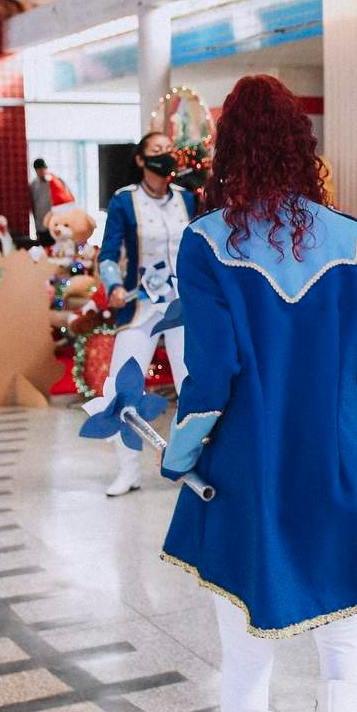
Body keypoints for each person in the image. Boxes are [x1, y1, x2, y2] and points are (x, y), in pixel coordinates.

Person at [157, 74, 357, 712]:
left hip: (247, 472)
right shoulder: (355, 239)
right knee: (342, 652)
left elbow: (212, 376)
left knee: (246, 662)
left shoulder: (205, 243)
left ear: (227, 148)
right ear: (300, 143)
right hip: (337, 463)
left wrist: (179, 453)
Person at [95, 131, 196, 497]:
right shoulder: (124, 200)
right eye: (156, 150)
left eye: (168, 150)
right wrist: (113, 286)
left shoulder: (187, 198)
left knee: (193, 384)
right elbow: (108, 254)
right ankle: (128, 469)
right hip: (140, 305)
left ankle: (189, 463)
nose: (164, 156)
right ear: (140, 159)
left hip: (184, 305)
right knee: (123, 386)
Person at [29, 158, 75, 234]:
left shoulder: (56, 180)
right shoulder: (34, 185)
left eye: (43, 169)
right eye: (39, 170)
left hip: (56, 222)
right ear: (35, 171)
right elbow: (33, 205)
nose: (41, 172)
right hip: (41, 223)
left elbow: (67, 197)